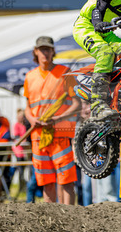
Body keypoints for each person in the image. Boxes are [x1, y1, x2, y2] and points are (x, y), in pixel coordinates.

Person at [23, 36, 80, 205]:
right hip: (38, 137)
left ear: (53, 51)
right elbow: (27, 107)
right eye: (42, 50)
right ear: (36, 51)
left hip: (60, 134)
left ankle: (69, 216)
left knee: (66, 181)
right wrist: (32, 119)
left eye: (48, 49)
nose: (45, 53)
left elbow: (77, 104)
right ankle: (52, 219)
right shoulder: (30, 77)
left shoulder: (65, 73)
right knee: (46, 182)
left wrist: (57, 118)